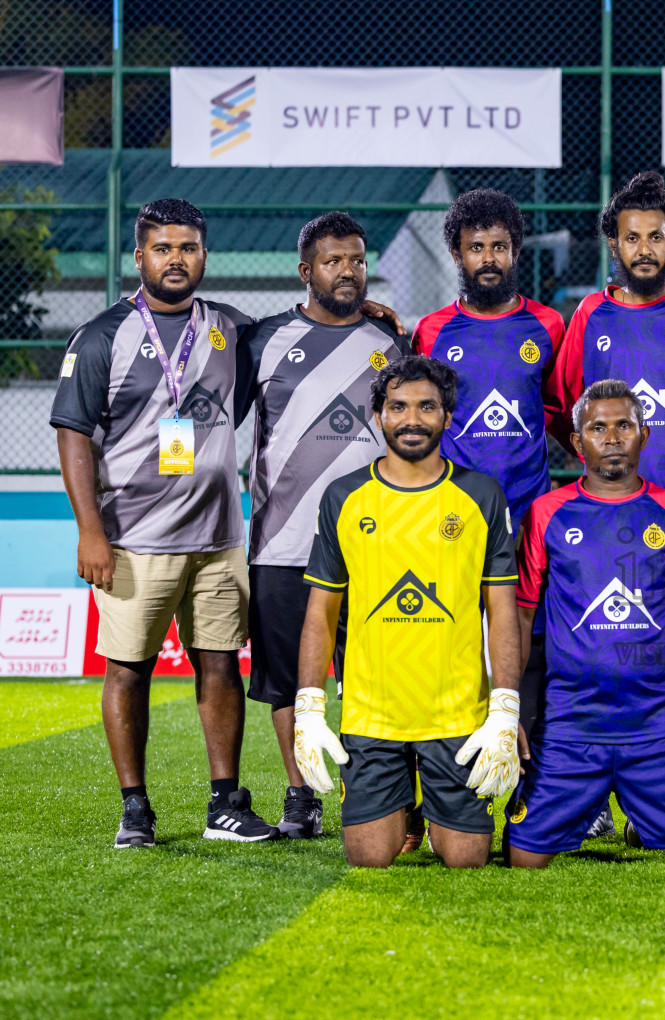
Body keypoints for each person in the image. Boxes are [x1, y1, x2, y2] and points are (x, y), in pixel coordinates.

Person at [52, 199, 270, 847]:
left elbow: (301, 339)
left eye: (189, 248)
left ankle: (225, 803)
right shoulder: (101, 336)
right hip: (132, 541)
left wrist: (363, 310)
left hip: (217, 539)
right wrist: (90, 530)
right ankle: (135, 808)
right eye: (163, 248)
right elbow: (72, 435)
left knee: (220, 664)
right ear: (140, 256)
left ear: (205, 254)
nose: (177, 259)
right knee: (128, 669)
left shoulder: (232, 328)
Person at [290, 354, 522, 869]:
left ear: (447, 415)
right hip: (373, 714)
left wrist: (505, 708)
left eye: (426, 407)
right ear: (379, 416)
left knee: (465, 859)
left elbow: (502, 612)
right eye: (398, 407)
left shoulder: (481, 495)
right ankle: (407, 805)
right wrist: (308, 705)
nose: (412, 419)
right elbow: (320, 613)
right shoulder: (344, 496)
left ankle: (432, 805)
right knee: (371, 858)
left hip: (457, 715)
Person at [504, 379, 665, 868]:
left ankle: (647, 815)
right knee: (524, 860)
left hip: (658, 726)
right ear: (578, 442)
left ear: (644, 434)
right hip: (569, 725)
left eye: (624, 425)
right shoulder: (546, 514)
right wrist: (509, 708)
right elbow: (518, 617)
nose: (612, 437)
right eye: (597, 428)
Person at [239, 211, 405, 839]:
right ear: (305, 270)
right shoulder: (263, 340)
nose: (348, 271)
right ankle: (299, 793)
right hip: (282, 543)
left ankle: (371, 791)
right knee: (288, 682)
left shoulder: (391, 342)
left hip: (373, 548)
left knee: (371, 677)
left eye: (358, 260)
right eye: (334, 261)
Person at [411, 187, 564, 849]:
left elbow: (566, 414)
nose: (489, 258)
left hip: (530, 519)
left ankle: (535, 793)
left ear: (515, 251)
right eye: (476, 247)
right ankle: (434, 790)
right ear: (457, 253)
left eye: (499, 246)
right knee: (447, 653)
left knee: (533, 657)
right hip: (451, 523)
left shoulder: (550, 328)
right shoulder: (431, 331)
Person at [553, 170, 665, 549]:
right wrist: (596, 457)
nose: (645, 250)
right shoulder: (590, 314)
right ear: (615, 245)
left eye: (656, 237)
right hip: (608, 506)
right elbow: (561, 402)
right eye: (632, 238)